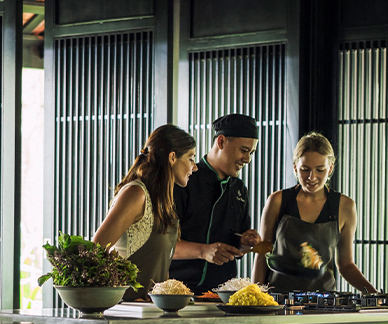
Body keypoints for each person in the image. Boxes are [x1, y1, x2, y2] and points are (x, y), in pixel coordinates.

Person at [253, 131, 378, 294]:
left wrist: (375, 294)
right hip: (278, 300)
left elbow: (346, 265)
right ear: (295, 168)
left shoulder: (344, 206)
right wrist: (255, 298)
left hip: (324, 303)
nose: (312, 177)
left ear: (331, 168)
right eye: (305, 169)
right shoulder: (277, 201)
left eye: (320, 170)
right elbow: (262, 254)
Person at [93, 125, 197, 301]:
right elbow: (94, 251)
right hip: (123, 313)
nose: (194, 167)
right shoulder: (136, 194)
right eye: (191, 158)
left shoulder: (164, 201)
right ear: (172, 157)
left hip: (152, 312)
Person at [169, 114, 262, 294]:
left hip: (223, 294)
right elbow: (163, 245)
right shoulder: (185, 180)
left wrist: (244, 243)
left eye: (251, 153)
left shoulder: (240, 189)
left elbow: (238, 246)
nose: (248, 159)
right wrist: (203, 251)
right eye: (244, 150)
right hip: (179, 291)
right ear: (221, 142)